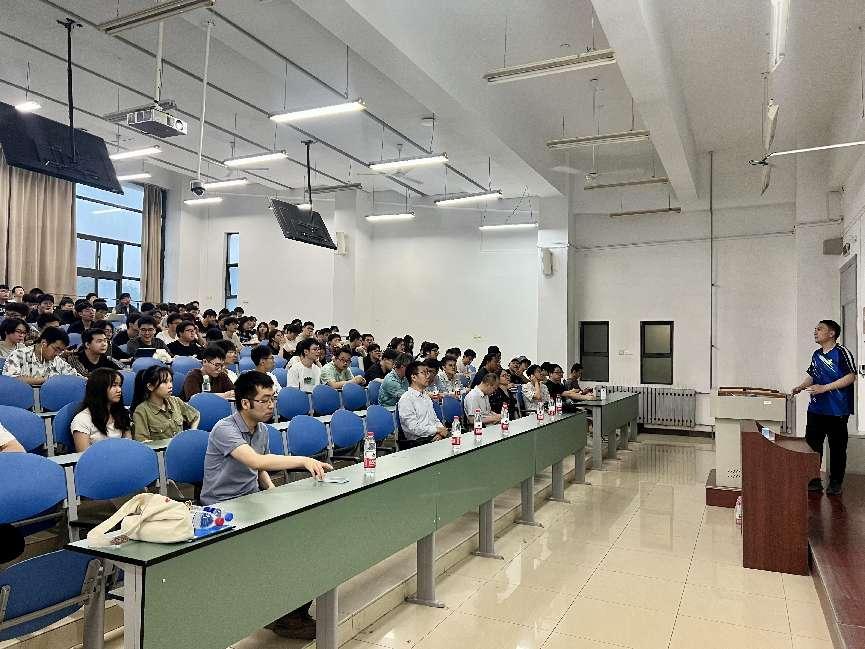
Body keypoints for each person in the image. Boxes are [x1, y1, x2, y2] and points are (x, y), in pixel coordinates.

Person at [200, 371, 331, 640]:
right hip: (223, 509)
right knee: (284, 550)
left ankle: (290, 613)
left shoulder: (260, 430)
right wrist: (303, 460)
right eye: (265, 400)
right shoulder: (224, 429)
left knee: (310, 538)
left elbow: (259, 470)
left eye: (273, 399)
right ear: (245, 403)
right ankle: (283, 616)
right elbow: (256, 461)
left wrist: (272, 493)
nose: (271, 405)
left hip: (252, 501)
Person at [791, 319, 857, 496]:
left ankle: (835, 482)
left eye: (820, 329)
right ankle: (813, 480)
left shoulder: (842, 352)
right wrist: (801, 386)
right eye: (815, 329)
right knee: (813, 446)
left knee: (837, 448)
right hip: (816, 409)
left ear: (831, 333)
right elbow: (812, 376)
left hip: (837, 410)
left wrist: (824, 388)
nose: (815, 332)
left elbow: (851, 376)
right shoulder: (816, 354)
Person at [131, 365, 200, 441]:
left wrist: (191, 434)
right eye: (164, 382)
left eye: (171, 381)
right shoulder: (141, 411)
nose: (170, 386)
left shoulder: (175, 401)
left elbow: (196, 416)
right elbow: (143, 442)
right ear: (150, 386)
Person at [71, 368, 133, 451]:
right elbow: (83, 455)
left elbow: (129, 446)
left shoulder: (121, 413)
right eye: (114, 385)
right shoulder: (82, 420)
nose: (119, 390)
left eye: (120, 385)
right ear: (99, 388)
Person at [397, 361, 449, 447]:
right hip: (417, 442)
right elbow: (414, 428)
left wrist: (441, 432)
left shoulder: (425, 396)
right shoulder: (406, 399)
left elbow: (434, 419)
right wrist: (437, 430)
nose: (428, 376)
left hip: (433, 435)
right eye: (424, 373)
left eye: (428, 372)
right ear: (413, 377)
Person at [2, 327, 78, 385]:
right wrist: (44, 380)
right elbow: (10, 380)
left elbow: (77, 378)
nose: (57, 354)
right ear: (43, 343)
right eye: (56, 349)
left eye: (61, 351)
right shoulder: (19, 355)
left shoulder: (58, 361)